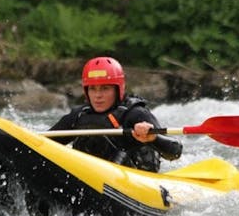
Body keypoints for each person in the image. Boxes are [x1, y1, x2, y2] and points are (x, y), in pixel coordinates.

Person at [49, 56, 182, 172]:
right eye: (93, 89)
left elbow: (175, 152)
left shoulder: (136, 113)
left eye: (105, 88)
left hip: (134, 179)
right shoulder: (79, 115)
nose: (98, 96)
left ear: (118, 89)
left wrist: (153, 138)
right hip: (89, 176)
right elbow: (45, 143)